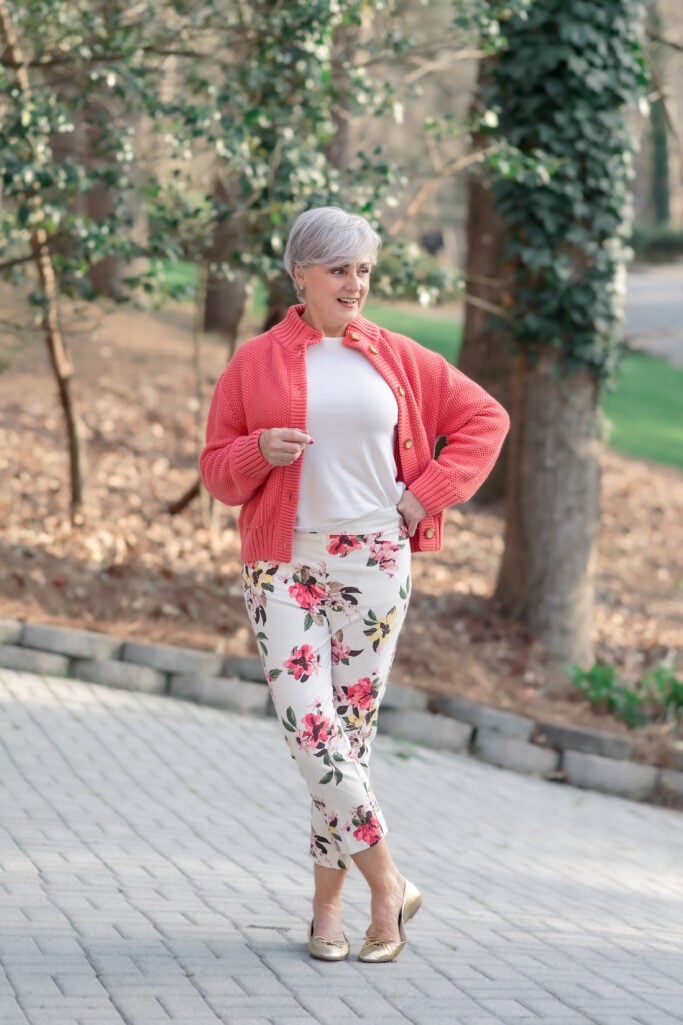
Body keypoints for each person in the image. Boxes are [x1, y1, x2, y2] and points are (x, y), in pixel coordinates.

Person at [200, 206, 509, 963]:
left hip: (373, 562)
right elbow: (216, 469)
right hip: (283, 563)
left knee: (349, 743)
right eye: (339, 269)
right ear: (299, 273)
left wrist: (424, 493)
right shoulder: (255, 361)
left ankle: (330, 915)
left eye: (364, 270)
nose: (355, 283)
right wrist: (256, 452)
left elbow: (485, 419)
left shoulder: (395, 356)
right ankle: (389, 881)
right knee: (312, 731)